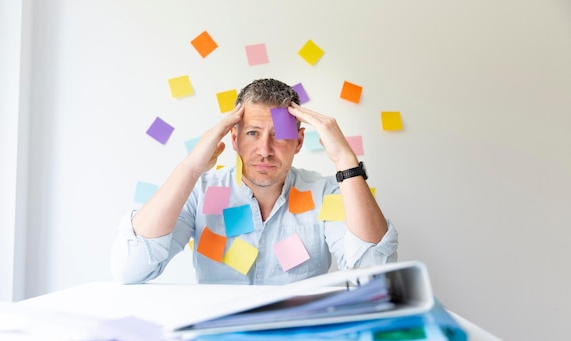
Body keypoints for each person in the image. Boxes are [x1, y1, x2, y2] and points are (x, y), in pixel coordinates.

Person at [111, 78, 397, 285]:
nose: (265, 150)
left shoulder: (325, 193)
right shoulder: (201, 191)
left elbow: (374, 276)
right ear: (233, 139)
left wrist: (346, 162)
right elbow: (131, 269)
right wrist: (191, 167)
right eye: (252, 133)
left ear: (298, 142)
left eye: (279, 135)